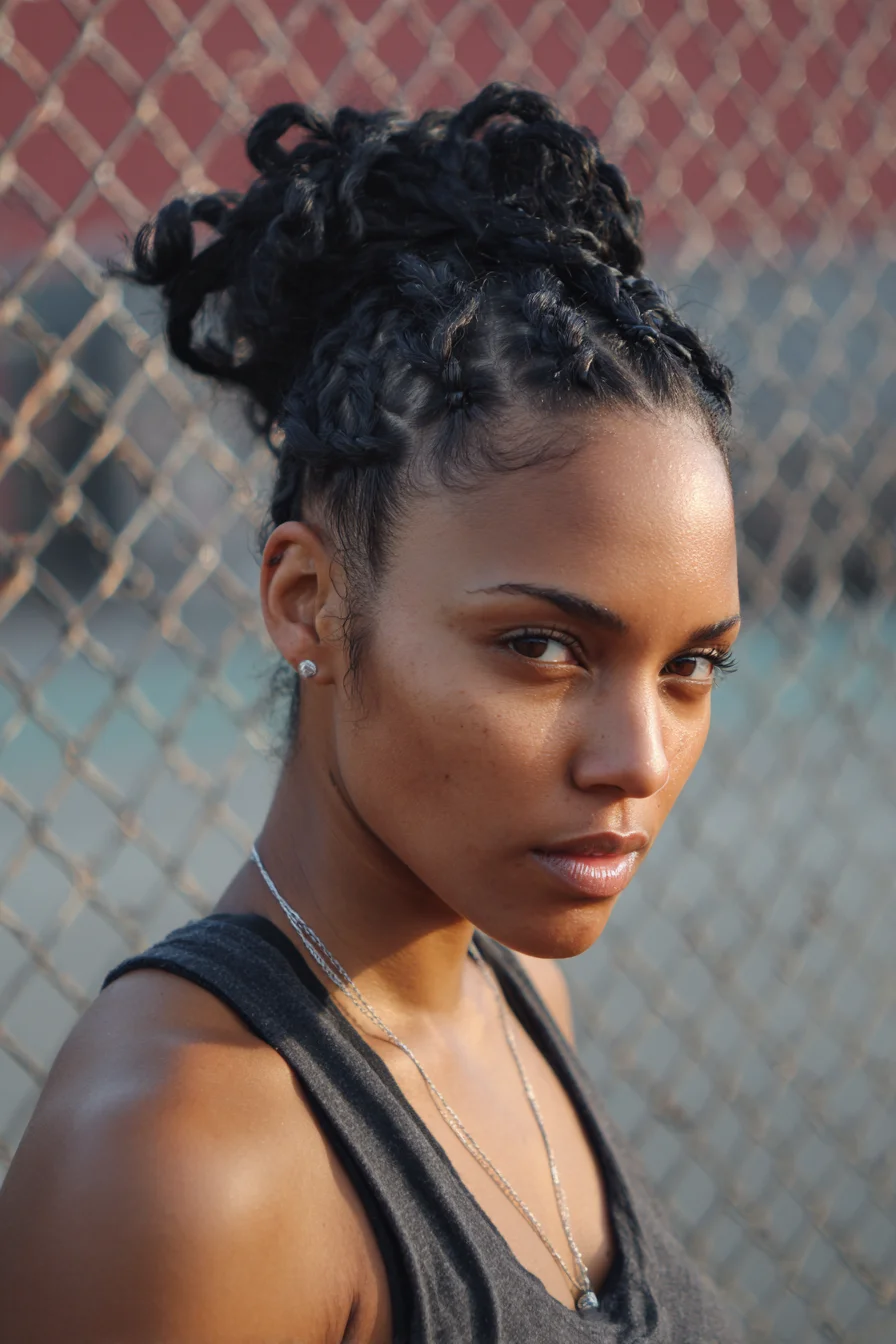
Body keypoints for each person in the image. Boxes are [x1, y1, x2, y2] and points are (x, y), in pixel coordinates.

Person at [0, 84, 743, 1343]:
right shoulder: (183, 1162)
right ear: (307, 602)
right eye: (541, 647)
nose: (638, 760)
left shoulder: (506, 989)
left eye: (691, 667)